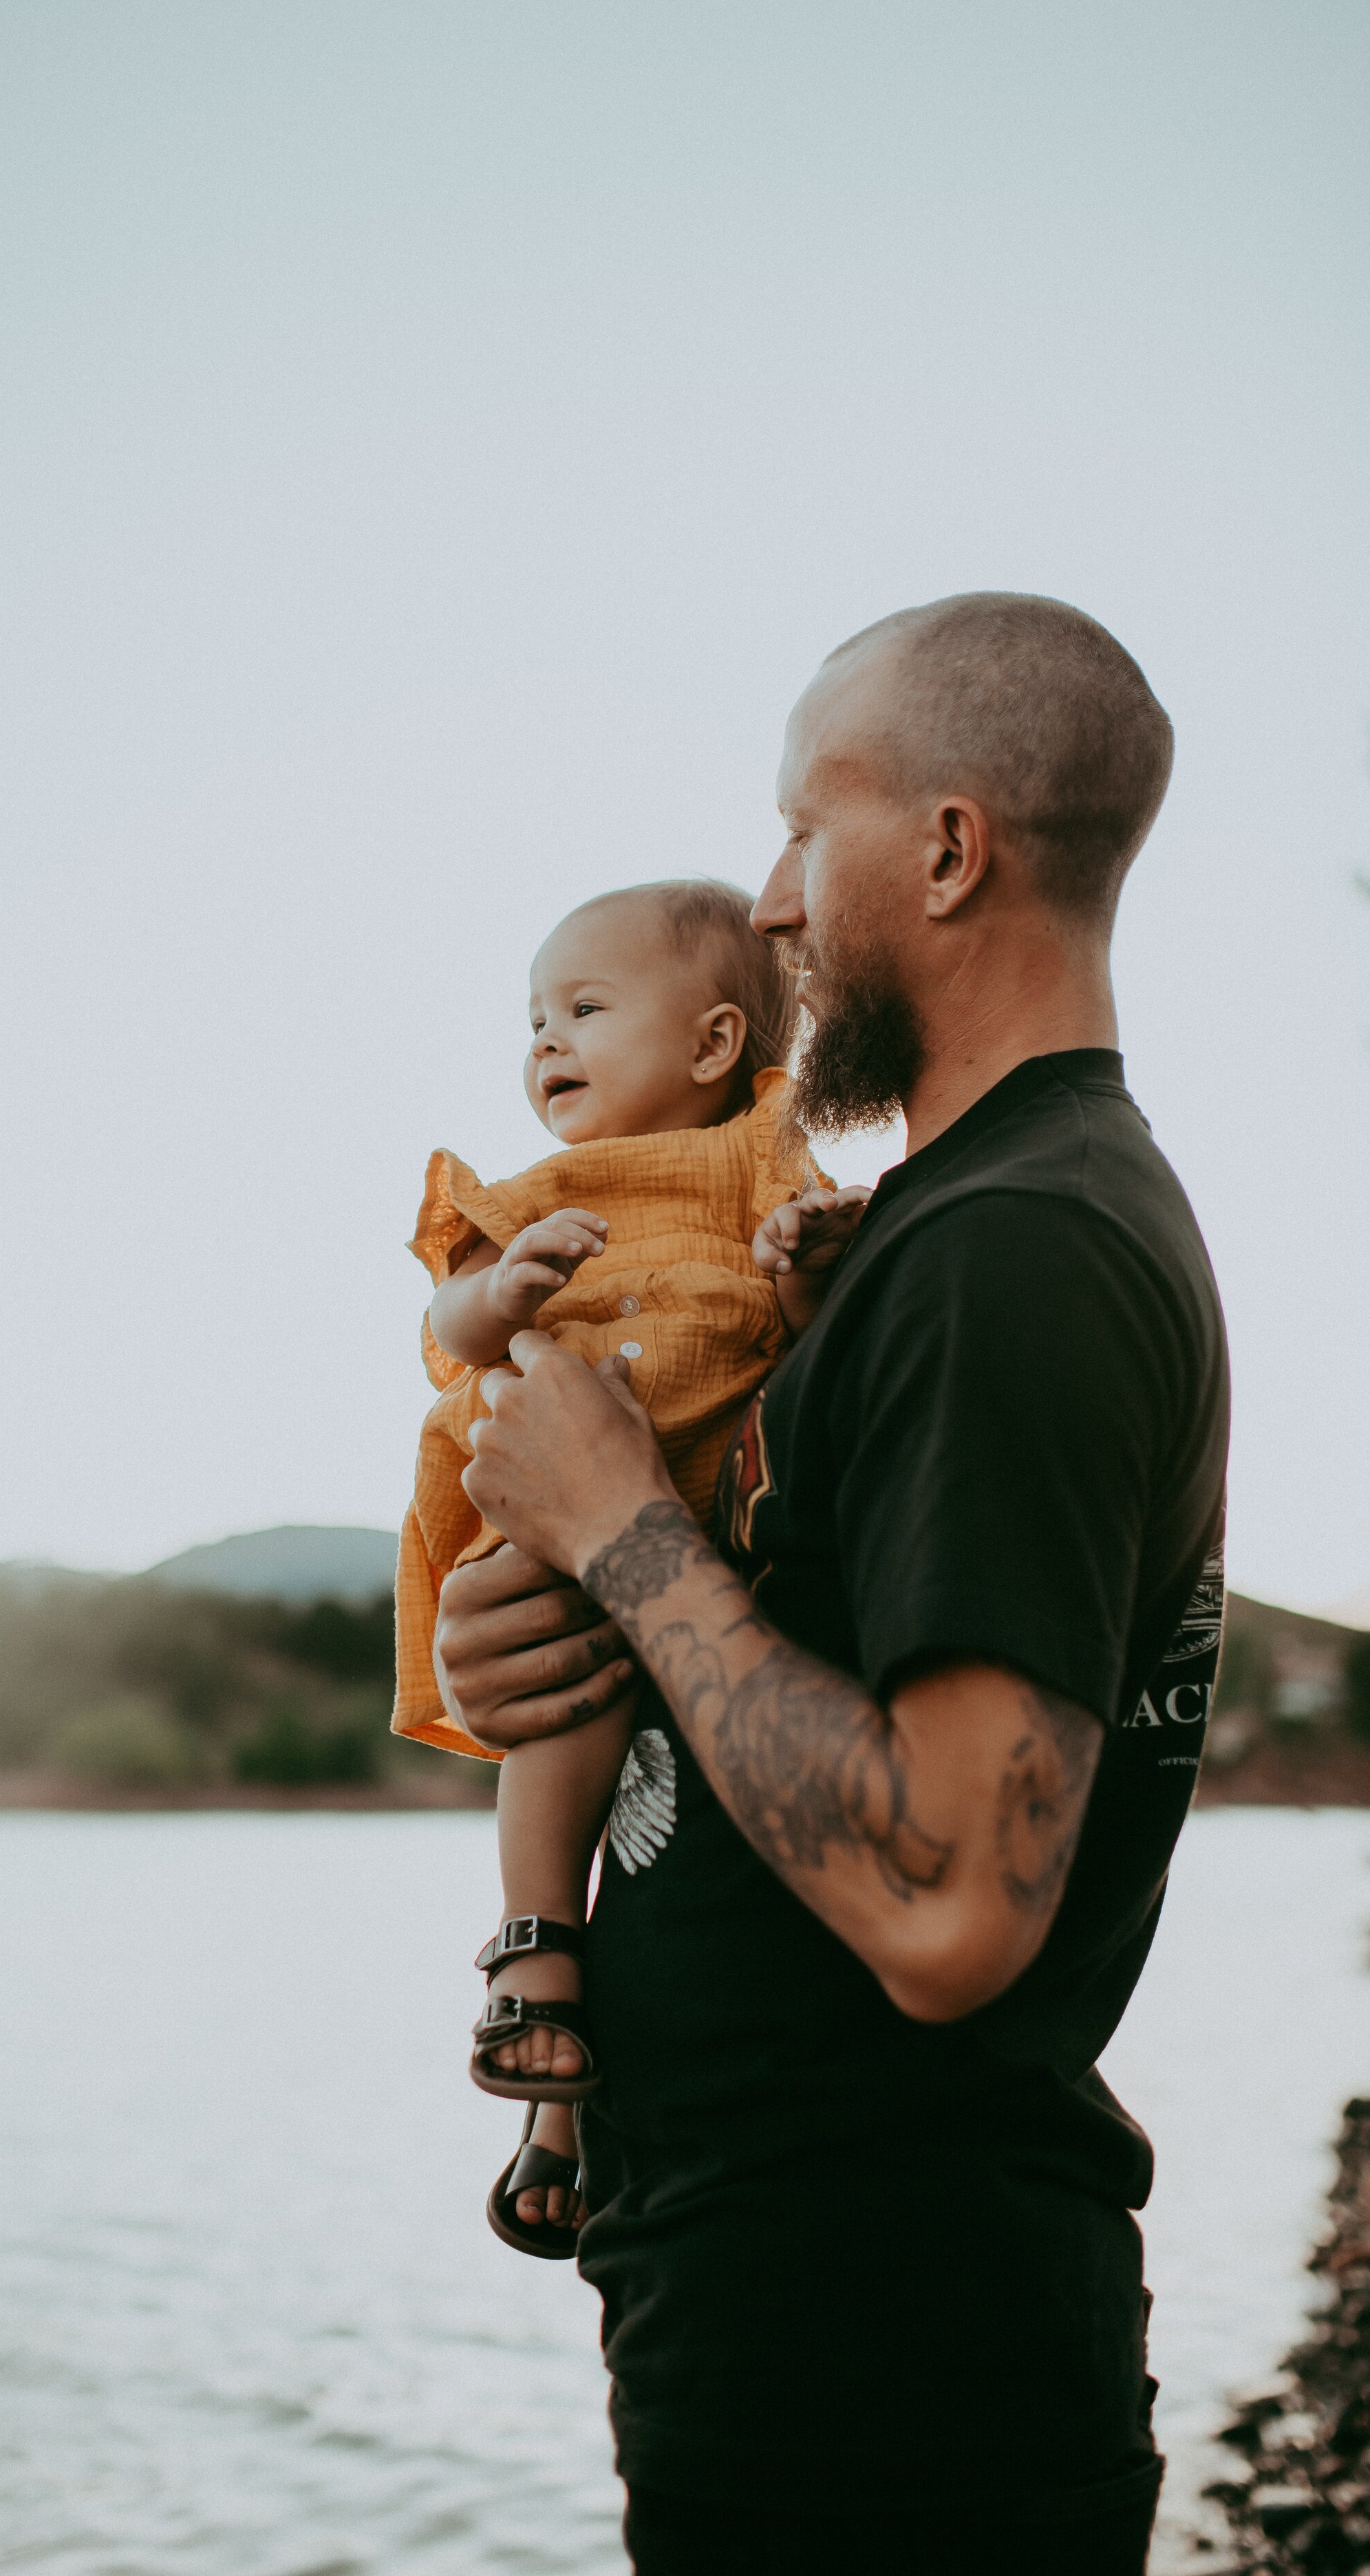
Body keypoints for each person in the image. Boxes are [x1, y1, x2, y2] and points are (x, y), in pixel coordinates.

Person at [433, 592, 1230, 2576]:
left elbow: (950, 1903)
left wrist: (621, 1527)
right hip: (807, 2328)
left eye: (808, 828)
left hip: (890, 2384)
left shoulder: (1015, 1257)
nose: (773, 905)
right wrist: (531, 1612)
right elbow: (750, 1634)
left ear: (949, 850)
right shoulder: (913, 1241)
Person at [390, 878, 868, 2251]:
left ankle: (558, 2114)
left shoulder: (749, 1154)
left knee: (651, 1826)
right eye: (534, 1019)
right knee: (564, 1714)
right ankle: (531, 1957)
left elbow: (802, 1311)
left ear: (714, 1043)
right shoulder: (532, 1192)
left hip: (692, 1529)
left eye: (584, 1011)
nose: (546, 1041)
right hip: (548, 1530)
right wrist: (502, 1287)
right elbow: (446, 1322)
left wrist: (802, 1263)